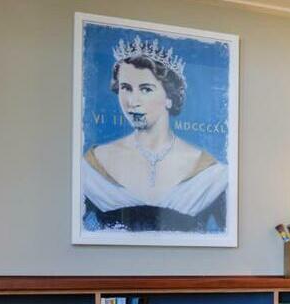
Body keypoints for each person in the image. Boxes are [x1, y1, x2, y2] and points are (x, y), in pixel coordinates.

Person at [82, 36, 228, 233]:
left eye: (146, 89)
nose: (132, 101)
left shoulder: (211, 174)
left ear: (169, 97)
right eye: (126, 88)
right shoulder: (93, 164)